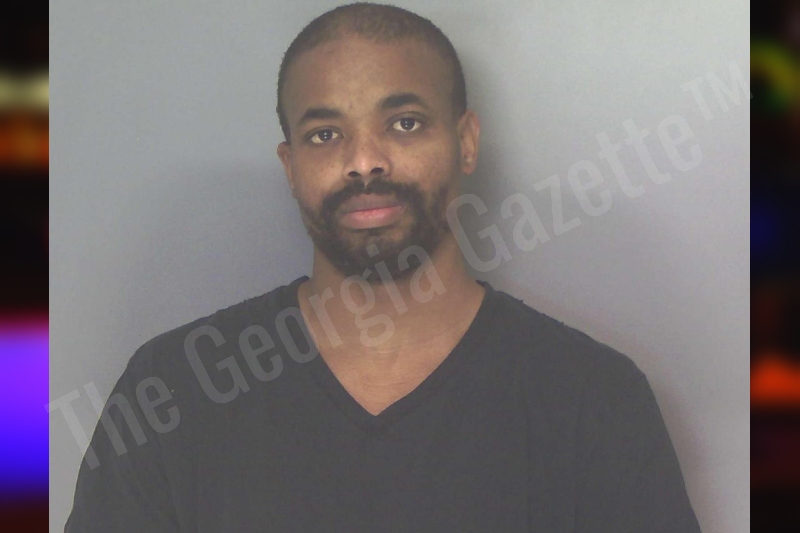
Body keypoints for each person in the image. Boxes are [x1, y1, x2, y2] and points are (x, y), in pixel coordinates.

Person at [65, 3, 702, 531]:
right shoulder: (173, 391)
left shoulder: (594, 400)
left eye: (404, 123)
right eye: (325, 134)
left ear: (466, 142)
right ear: (291, 167)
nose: (364, 161)